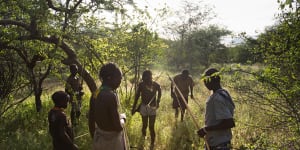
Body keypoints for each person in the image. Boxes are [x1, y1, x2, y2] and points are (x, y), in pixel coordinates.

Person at [88, 62, 127, 150]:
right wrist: (123, 119)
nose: (120, 81)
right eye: (119, 78)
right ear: (110, 78)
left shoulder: (95, 93)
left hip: (99, 138)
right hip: (112, 141)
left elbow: (91, 119)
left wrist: (94, 137)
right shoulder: (110, 96)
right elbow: (117, 126)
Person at [197, 68, 235, 150]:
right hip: (217, 143)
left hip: (219, 145)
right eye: (204, 80)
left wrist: (205, 129)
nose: (205, 83)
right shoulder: (224, 93)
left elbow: (229, 123)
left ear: (214, 79)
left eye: (206, 80)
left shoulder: (217, 98)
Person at [131, 70, 162, 147]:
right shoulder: (141, 85)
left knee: (151, 126)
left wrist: (158, 101)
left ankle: (152, 143)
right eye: (145, 78)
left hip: (152, 108)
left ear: (151, 77)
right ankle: (143, 138)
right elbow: (137, 96)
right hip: (144, 107)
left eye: (148, 77)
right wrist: (133, 108)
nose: (146, 79)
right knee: (144, 125)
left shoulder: (155, 85)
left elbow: (160, 90)